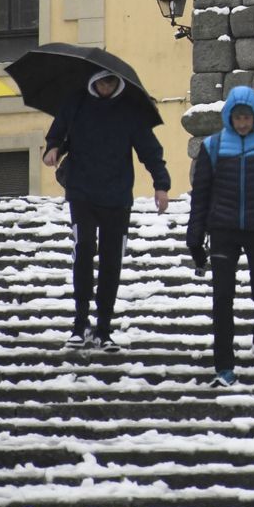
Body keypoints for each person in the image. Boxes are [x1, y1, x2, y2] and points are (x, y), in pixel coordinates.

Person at [41, 70, 169, 352]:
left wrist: (161, 185)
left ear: (118, 83)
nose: (106, 86)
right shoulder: (75, 102)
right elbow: (57, 134)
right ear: (93, 80)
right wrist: (53, 150)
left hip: (117, 196)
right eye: (102, 81)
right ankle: (80, 323)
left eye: (111, 82)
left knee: (112, 261)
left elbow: (149, 150)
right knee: (84, 249)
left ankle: (104, 328)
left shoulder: (130, 111)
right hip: (82, 193)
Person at [186, 85, 254, 386]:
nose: (242, 123)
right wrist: (195, 237)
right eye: (237, 117)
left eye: (247, 117)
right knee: (222, 297)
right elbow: (201, 195)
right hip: (223, 230)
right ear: (229, 118)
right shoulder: (213, 146)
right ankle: (223, 364)